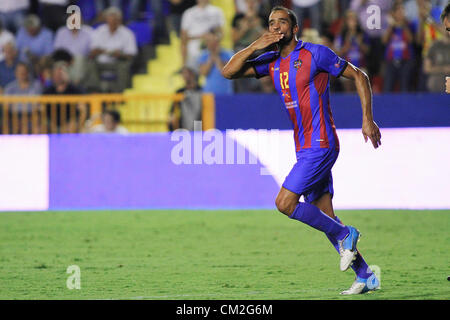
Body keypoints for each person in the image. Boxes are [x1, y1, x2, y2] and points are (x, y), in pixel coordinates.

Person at [222, 6, 382, 295]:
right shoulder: (270, 61)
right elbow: (228, 71)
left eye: (282, 22)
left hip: (321, 144)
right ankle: (366, 275)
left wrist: (367, 119)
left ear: (294, 29)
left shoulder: (315, 54)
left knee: (284, 203)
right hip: (303, 147)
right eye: (271, 23)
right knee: (324, 213)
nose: (276, 27)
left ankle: (347, 234)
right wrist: (257, 44)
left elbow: (360, 76)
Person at [87, 7, 137, 92]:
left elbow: (131, 54)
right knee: (90, 63)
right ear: (106, 19)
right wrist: (103, 51)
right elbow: (92, 51)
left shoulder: (127, 33)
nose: (113, 21)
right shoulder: (99, 31)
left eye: (115, 19)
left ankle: (120, 94)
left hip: (118, 62)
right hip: (101, 62)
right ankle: (95, 91)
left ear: (119, 20)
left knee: (123, 66)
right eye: (110, 19)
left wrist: (120, 54)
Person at [382, 2, 416, 92]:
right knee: (388, 88)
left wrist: (403, 25)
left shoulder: (409, 24)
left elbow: (411, 40)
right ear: (394, 13)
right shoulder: (390, 26)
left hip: (406, 60)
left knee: (405, 87)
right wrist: (392, 25)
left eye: (402, 10)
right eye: (398, 10)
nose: (401, 12)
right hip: (391, 61)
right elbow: (384, 40)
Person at [180, 0, 225, 67]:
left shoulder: (217, 11)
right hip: (193, 53)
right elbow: (183, 38)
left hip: (211, 53)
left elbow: (221, 33)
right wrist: (202, 36)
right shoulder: (188, 13)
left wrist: (212, 38)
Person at [198, 30, 234, 95]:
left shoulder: (228, 54)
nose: (210, 44)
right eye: (208, 41)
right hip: (208, 93)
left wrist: (217, 58)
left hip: (225, 92)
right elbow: (204, 73)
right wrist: (211, 58)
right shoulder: (204, 55)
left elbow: (226, 73)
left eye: (212, 41)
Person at [168, 65, 202, 131]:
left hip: (199, 122)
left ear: (192, 74)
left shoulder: (201, 90)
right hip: (184, 123)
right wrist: (171, 115)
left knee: (197, 135)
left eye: (185, 73)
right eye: (182, 73)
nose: (183, 76)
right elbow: (172, 109)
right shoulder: (179, 91)